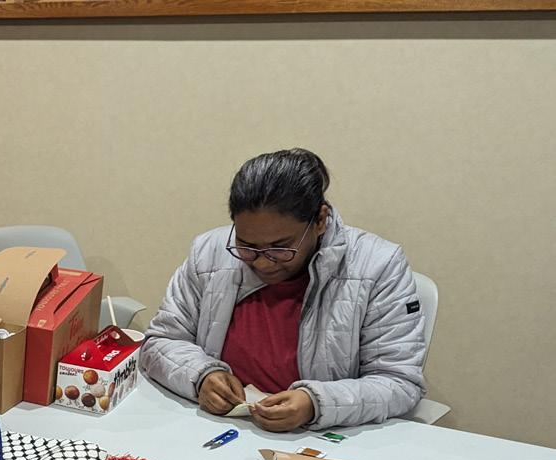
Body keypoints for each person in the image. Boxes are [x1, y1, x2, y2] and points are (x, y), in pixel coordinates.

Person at [141, 148, 426, 431]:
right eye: (247, 246)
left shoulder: (378, 266)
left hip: (321, 436)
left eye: (280, 248)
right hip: (218, 427)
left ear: (320, 221)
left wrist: (316, 403)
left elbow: (399, 382)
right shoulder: (209, 253)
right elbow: (161, 342)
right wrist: (201, 375)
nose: (263, 263)